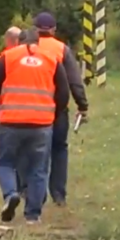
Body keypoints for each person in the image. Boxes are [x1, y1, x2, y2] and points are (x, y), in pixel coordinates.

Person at [0, 28, 70, 224]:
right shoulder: (52, 59)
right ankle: (33, 215)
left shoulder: (8, 57)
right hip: (42, 124)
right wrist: (53, 112)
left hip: (12, 122)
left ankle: (11, 193)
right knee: (38, 168)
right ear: (39, 42)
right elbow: (64, 93)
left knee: (5, 163)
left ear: (19, 41)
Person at [32, 12, 89, 207]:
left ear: (35, 29)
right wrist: (82, 105)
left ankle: (34, 195)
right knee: (58, 149)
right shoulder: (61, 49)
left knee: (34, 152)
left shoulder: (26, 48)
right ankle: (58, 195)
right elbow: (74, 81)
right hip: (56, 109)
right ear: (54, 30)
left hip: (30, 109)